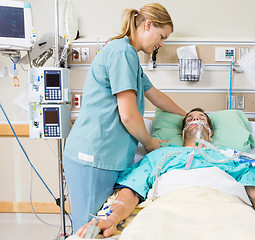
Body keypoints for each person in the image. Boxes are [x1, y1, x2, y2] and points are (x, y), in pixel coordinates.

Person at [76, 108, 255, 240]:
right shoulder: (161, 156)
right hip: (168, 207)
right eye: (190, 119)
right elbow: (131, 190)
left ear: (210, 131)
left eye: (201, 119)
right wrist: (113, 217)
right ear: (183, 129)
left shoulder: (226, 157)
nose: (196, 121)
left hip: (225, 205)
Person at [63, 3, 186, 231]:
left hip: (105, 158)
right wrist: (150, 144)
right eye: (162, 36)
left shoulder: (130, 58)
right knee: (89, 229)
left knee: (101, 227)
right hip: (93, 157)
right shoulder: (122, 52)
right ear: (148, 25)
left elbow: (156, 96)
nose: (162, 43)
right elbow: (128, 115)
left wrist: (188, 116)